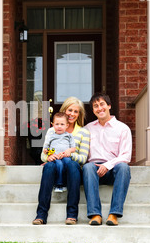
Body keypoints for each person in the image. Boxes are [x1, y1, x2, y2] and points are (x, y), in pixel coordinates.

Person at [33, 97, 90, 225]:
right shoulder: (52, 130)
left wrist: (69, 154)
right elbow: (44, 153)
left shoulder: (83, 132)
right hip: (55, 167)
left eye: (76, 111)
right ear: (64, 110)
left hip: (72, 171)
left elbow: (83, 158)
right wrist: (49, 157)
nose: (72, 114)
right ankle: (41, 215)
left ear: (79, 114)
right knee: (48, 166)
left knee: (71, 164)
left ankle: (71, 215)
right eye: (70, 110)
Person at [82, 92, 132, 226]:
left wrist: (108, 165)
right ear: (93, 110)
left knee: (124, 167)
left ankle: (114, 214)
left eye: (102, 104)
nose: (99, 108)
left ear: (109, 106)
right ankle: (95, 214)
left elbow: (126, 156)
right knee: (87, 167)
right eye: (95, 106)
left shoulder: (122, 129)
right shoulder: (87, 129)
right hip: (93, 171)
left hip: (113, 169)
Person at [42, 112, 76, 192]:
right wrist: (50, 154)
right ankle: (59, 184)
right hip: (56, 157)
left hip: (65, 156)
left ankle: (67, 182)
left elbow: (73, 148)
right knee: (59, 164)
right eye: (57, 124)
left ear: (67, 125)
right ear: (53, 125)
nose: (59, 126)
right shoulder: (51, 136)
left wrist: (69, 150)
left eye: (62, 124)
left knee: (69, 163)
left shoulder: (69, 135)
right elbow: (45, 149)